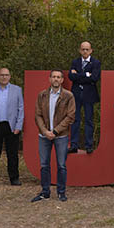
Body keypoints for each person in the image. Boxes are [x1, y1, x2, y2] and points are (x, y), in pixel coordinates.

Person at [31, 70, 75, 203]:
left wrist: (55, 131)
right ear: (50, 79)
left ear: (62, 80)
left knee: (61, 165)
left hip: (61, 136)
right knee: (44, 164)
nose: (56, 79)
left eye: (58, 77)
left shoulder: (68, 96)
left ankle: (61, 192)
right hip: (43, 136)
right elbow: (37, 114)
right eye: (54, 77)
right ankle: (45, 192)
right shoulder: (42, 95)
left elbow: (70, 116)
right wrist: (45, 131)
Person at [68, 41, 101, 154]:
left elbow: (95, 78)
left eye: (87, 49)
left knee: (88, 120)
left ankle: (89, 145)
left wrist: (78, 75)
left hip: (89, 95)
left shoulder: (95, 63)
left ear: (91, 50)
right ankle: (74, 145)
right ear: (79, 50)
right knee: (75, 120)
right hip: (76, 94)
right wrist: (87, 75)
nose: (85, 51)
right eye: (83, 49)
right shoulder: (75, 62)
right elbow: (71, 76)